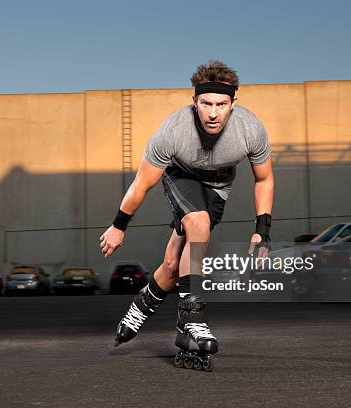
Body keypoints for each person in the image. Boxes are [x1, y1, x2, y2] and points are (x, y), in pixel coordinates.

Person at [99, 60, 274, 371]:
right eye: (206, 103)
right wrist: (118, 226)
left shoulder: (250, 129)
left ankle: (142, 305)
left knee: (172, 265)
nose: (212, 113)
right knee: (199, 221)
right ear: (195, 101)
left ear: (233, 103)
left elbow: (264, 179)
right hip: (180, 177)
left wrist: (262, 230)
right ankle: (192, 317)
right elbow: (141, 183)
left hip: (218, 189)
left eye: (221, 104)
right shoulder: (173, 131)